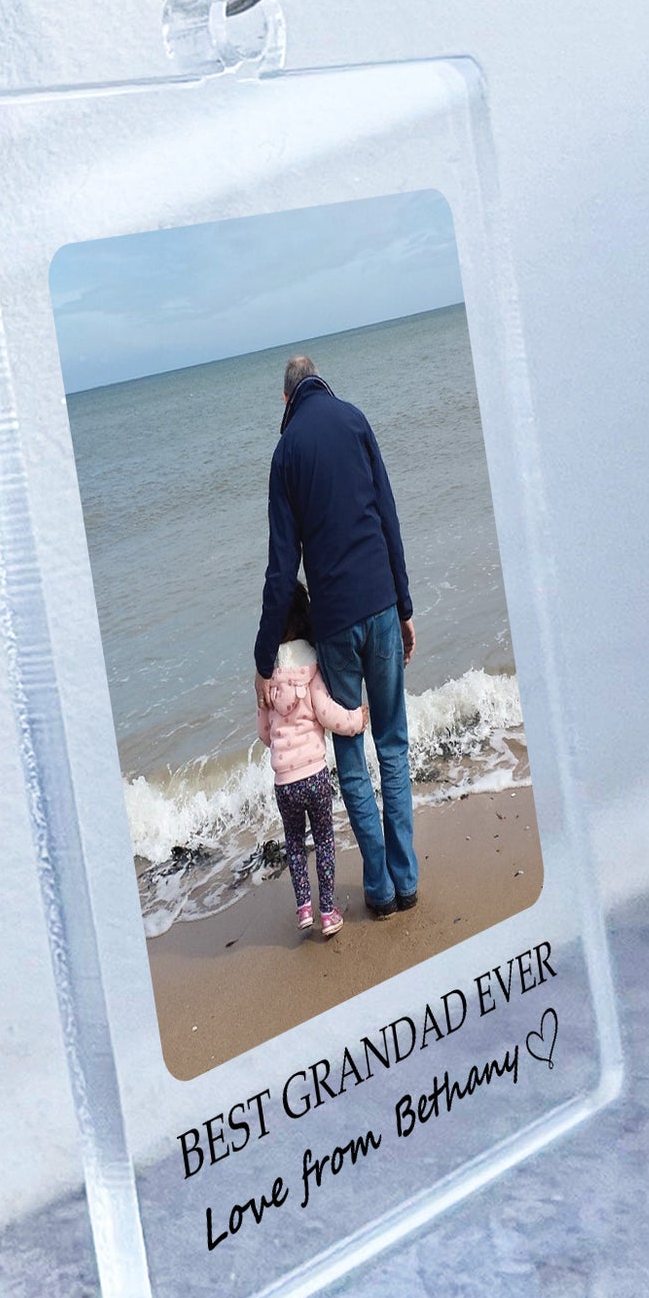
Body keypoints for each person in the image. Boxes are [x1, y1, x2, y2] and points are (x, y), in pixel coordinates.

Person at [254, 353, 419, 919]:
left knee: (351, 754)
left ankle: (380, 891)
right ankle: (406, 879)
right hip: (380, 602)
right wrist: (404, 605)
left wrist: (264, 656)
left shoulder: (285, 454)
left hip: (334, 622)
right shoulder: (355, 419)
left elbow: (282, 568)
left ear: (285, 399)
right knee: (392, 743)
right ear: (321, 381)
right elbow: (388, 517)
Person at [256, 579, 363, 937]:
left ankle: (304, 908)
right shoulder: (312, 667)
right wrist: (357, 720)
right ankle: (328, 912)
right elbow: (328, 714)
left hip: (284, 783)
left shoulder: (267, 677)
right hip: (315, 776)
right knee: (325, 841)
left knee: (295, 844)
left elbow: (264, 733)